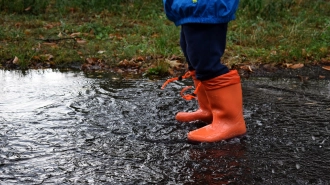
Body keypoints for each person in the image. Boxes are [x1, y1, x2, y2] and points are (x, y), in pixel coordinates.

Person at [162, 0, 246, 142]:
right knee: (194, 57)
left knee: (206, 61)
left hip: (205, 7)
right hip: (192, 8)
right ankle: (209, 110)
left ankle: (230, 121)